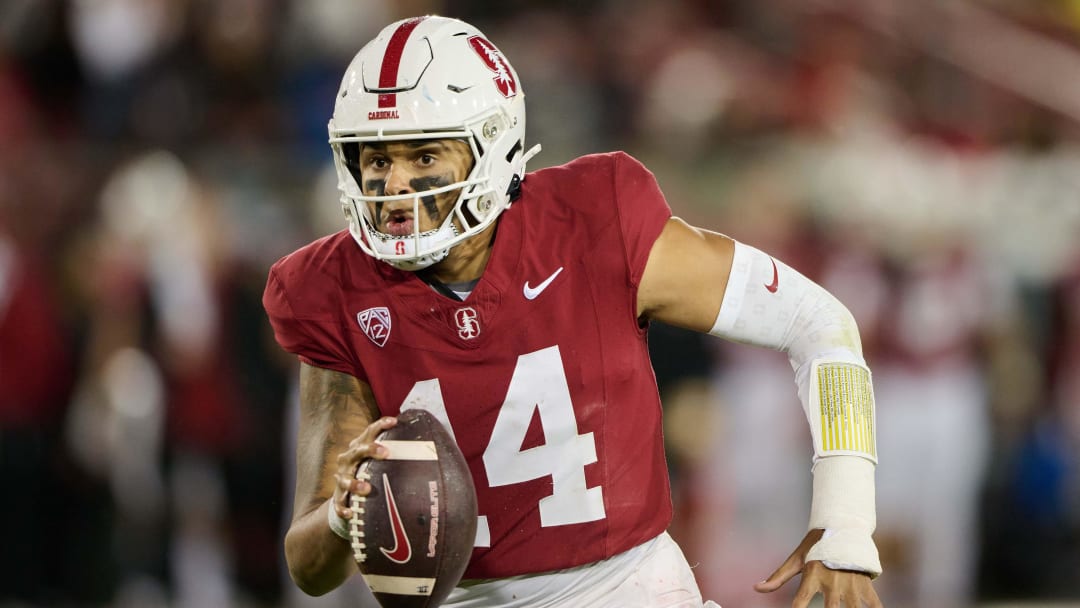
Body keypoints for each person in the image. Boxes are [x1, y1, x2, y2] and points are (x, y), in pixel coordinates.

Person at [263, 15, 883, 608]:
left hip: (628, 591)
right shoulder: (333, 288)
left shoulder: (593, 220)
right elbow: (308, 567)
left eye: (424, 156)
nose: (395, 185)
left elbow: (821, 325)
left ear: (491, 148)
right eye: (377, 159)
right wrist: (345, 518)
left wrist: (846, 521)